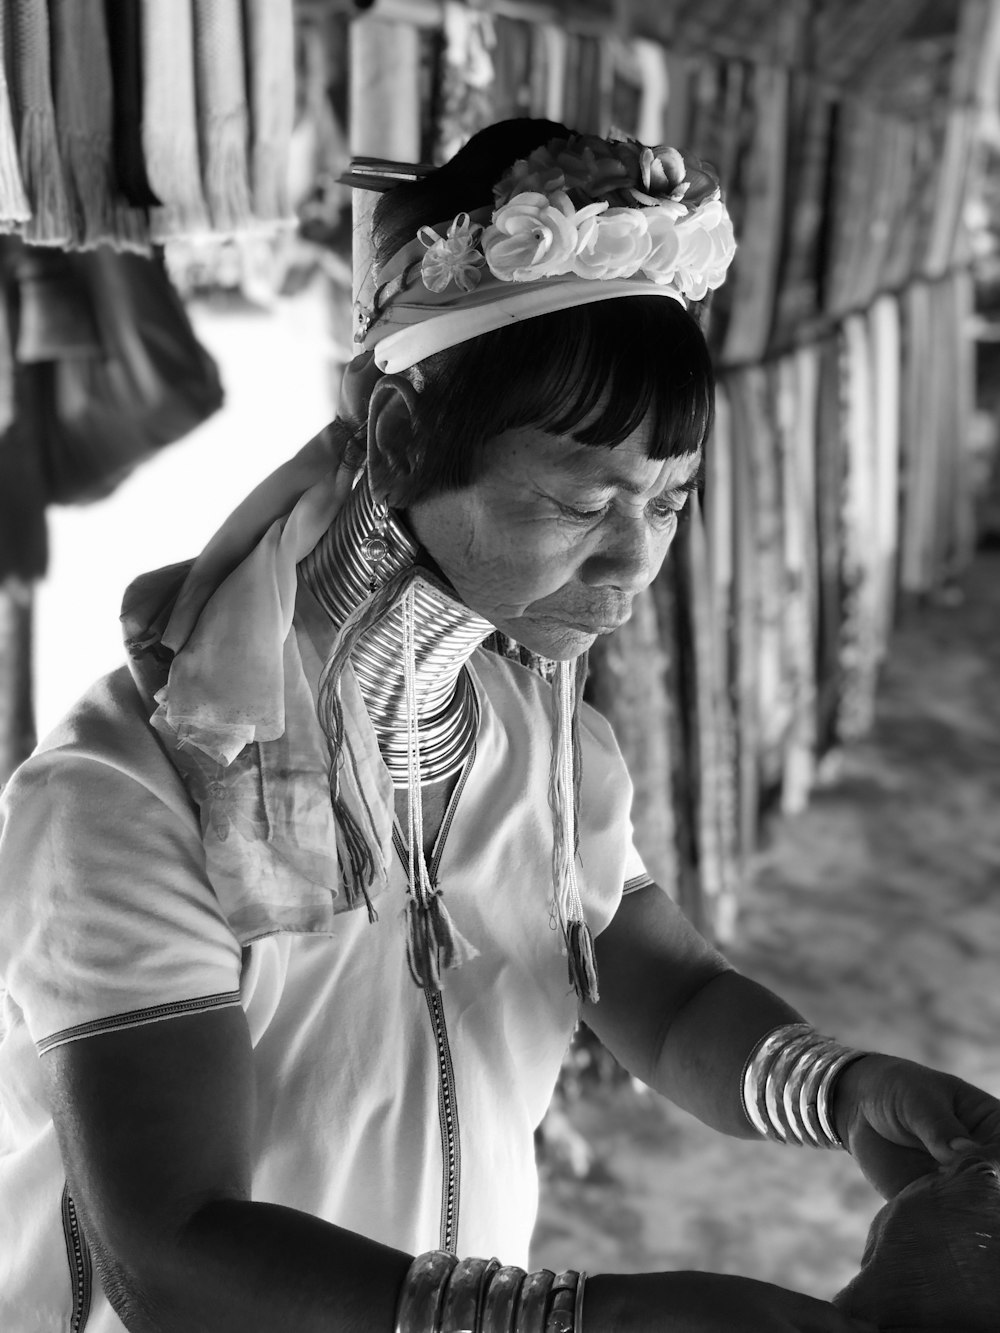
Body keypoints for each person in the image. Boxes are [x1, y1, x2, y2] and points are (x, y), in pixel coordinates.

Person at [0, 117, 996, 1333]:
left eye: (669, 504)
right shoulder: (127, 797)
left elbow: (664, 994)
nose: (634, 563)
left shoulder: (541, 739)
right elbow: (175, 1254)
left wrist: (842, 1090)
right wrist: (601, 1320)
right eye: (581, 502)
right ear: (406, 442)